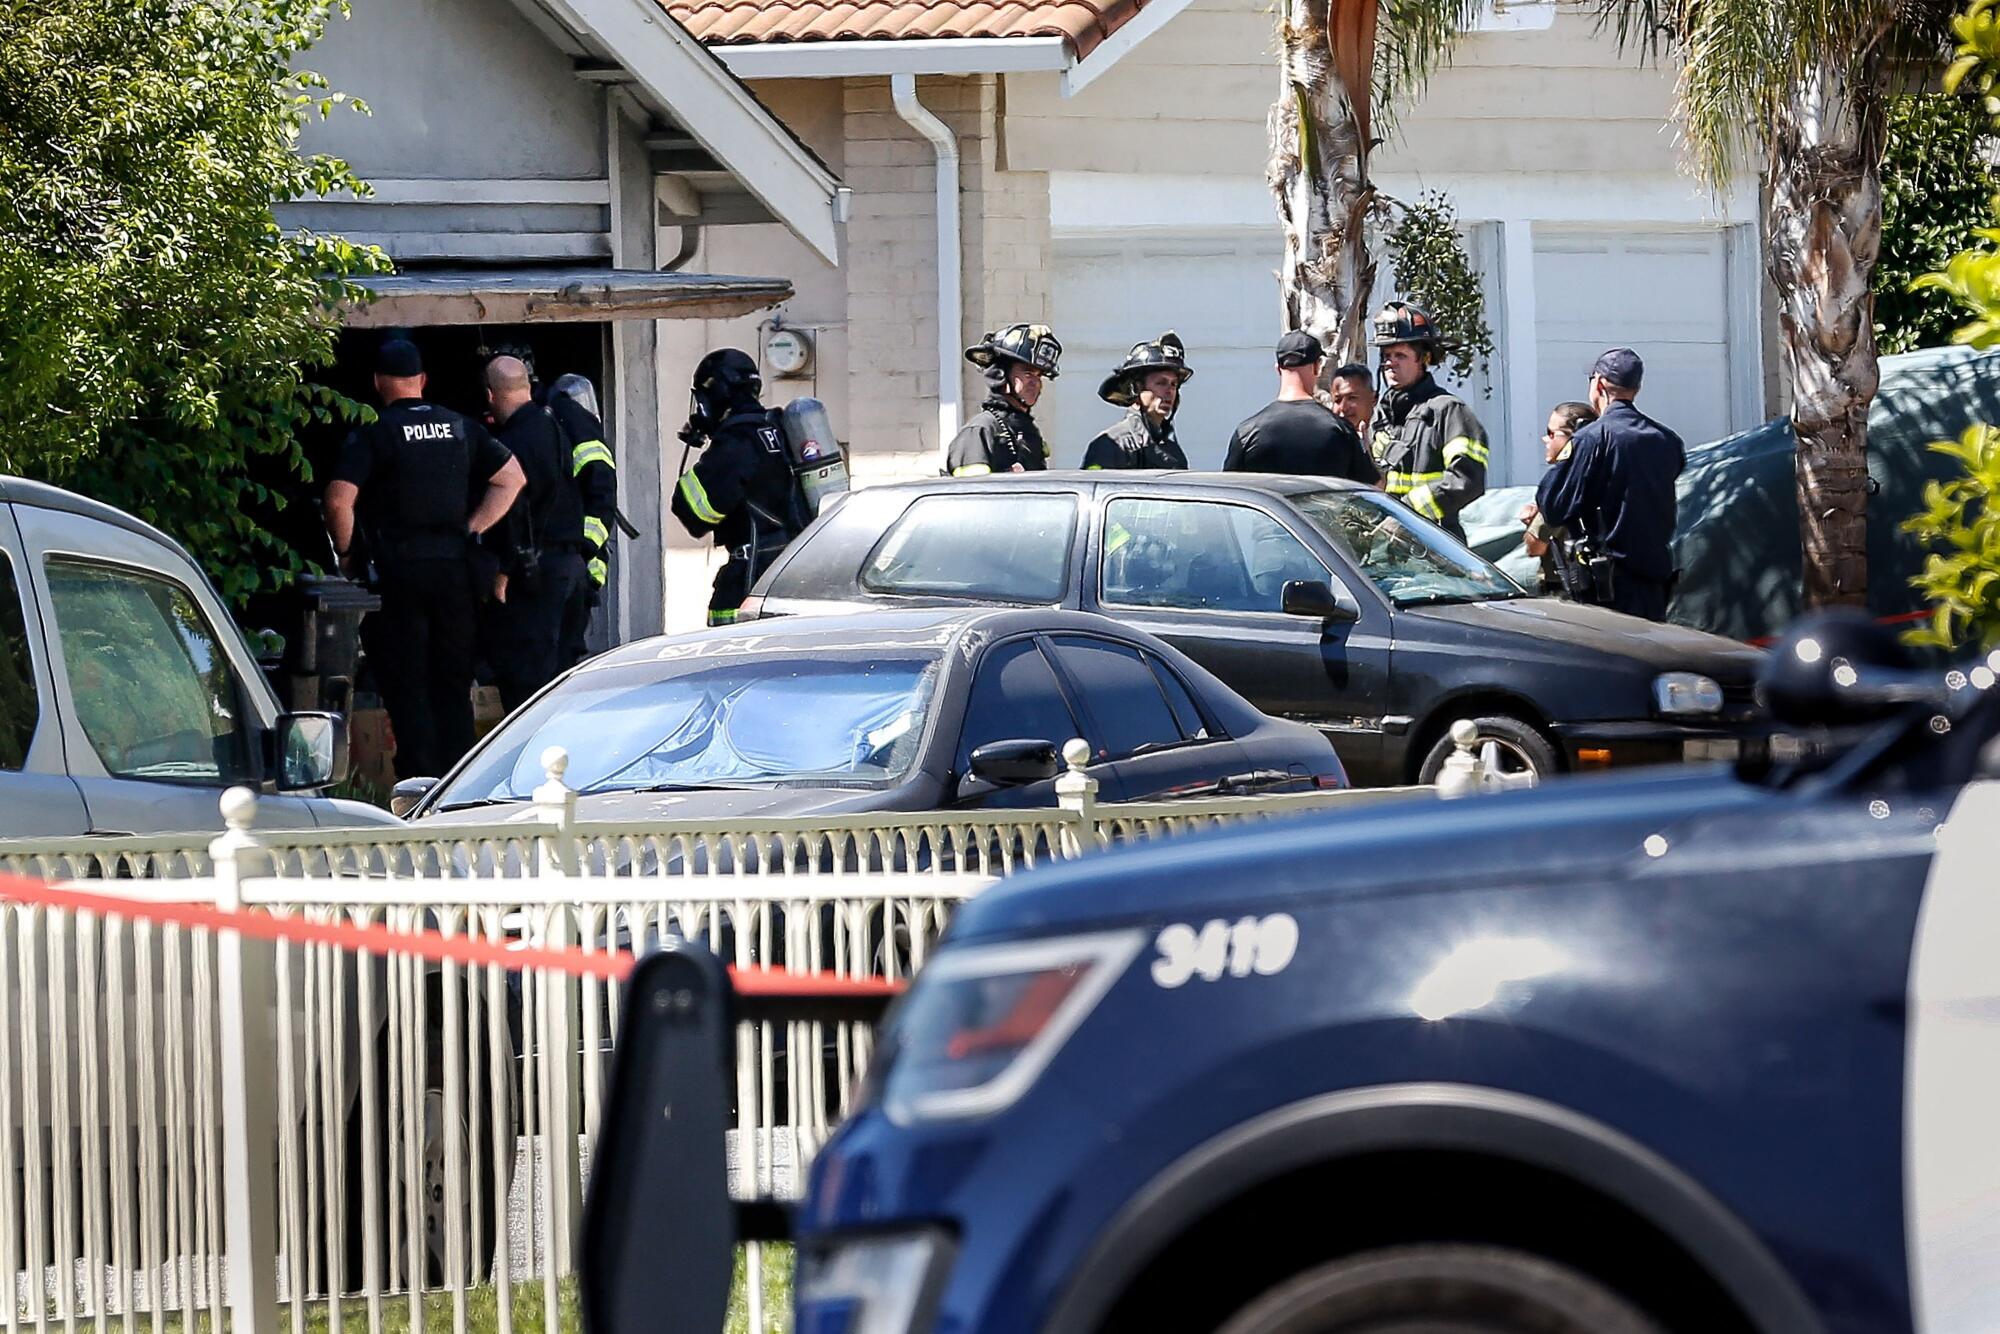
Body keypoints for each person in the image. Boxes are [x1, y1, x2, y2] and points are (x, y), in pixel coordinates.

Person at [324, 339, 525, 780]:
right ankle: (459, 787)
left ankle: (417, 790)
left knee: (408, 683)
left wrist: (347, 555)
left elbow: (340, 501)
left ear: (378, 383)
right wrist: (473, 527)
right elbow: (511, 479)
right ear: (423, 381)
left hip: (399, 575)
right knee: (453, 685)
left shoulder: (374, 433)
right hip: (455, 572)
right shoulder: (460, 427)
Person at [1536, 348, 1686, 621]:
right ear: (1636, 389)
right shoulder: (1668, 440)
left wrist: (1567, 460)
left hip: (1608, 589)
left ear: (1599, 384)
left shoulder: (1591, 439)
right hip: (1654, 585)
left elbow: (1553, 505)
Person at [480, 356, 589, 710]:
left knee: (527, 688)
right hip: (572, 570)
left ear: (491, 395)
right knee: (562, 683)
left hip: (535, 574)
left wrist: (502, 570)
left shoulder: (511, 442)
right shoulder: (556, 426)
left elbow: (515, 511)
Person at [669, 349, 798, 626]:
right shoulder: (775, 430)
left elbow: (696, 514)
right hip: (786, 566)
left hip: (751, 574)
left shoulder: (737, 443)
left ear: (715, 394)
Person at [1367, 301, 1489, 539]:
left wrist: (1407, 514)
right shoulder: (1382, 415)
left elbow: (1466, 480)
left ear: (1424, 359)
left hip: (1434, 546)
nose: (1390, 362)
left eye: (1400, 355)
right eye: (1386, 355)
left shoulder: (1448, 411)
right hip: (1387, 547)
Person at [1224, 331, 1379, 483]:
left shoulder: (1247, 432)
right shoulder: (1340, 430)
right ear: (1317, 367)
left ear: (1278, 369)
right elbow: (1374, 490)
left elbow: (1229, 494)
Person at [945, 324, 1062, 476]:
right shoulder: (981, 431)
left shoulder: (1026, 431)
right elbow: (970, 495)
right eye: (1027, 374)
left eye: (1039, 375)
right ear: (1000, 375)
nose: (1036, 382)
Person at [1082, 332, 1192, 470]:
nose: (1169, 391)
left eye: (1173, 384)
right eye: (1161, 383)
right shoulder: (1112, 445)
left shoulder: (1173, 451)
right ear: (1137, 388)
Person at [1519, 402, 1597, 595]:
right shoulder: (1600, 474)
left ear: (1572, 437)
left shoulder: (1563, 483)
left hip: (1566, 591)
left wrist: (1532, 521)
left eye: (1552, 433)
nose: (1545, 439)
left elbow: (1535, 546)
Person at [1329, 362, 1377, 440]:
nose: (1343, 407)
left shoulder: (1390, 436)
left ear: (1373, 399)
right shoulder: (1328, 441)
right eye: (1337, 400)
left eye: (1352, 398)